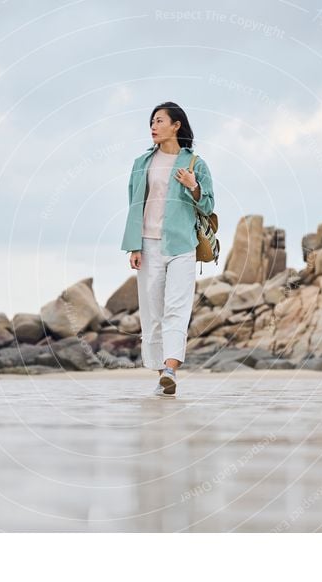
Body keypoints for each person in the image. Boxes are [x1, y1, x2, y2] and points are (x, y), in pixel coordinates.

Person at [120, 102, 215, 397]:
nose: (153, 126)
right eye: (152, 121)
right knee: (152, 310)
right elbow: (134, 205)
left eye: (160, 121)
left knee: (177, 307)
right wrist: (133, 246)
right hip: (148, 245)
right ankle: (162, 373)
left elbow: (208, 204)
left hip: (182, 244)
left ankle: (171, 367)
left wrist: (193, 185)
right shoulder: (141, 163)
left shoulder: (194, 163)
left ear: (176, 125)